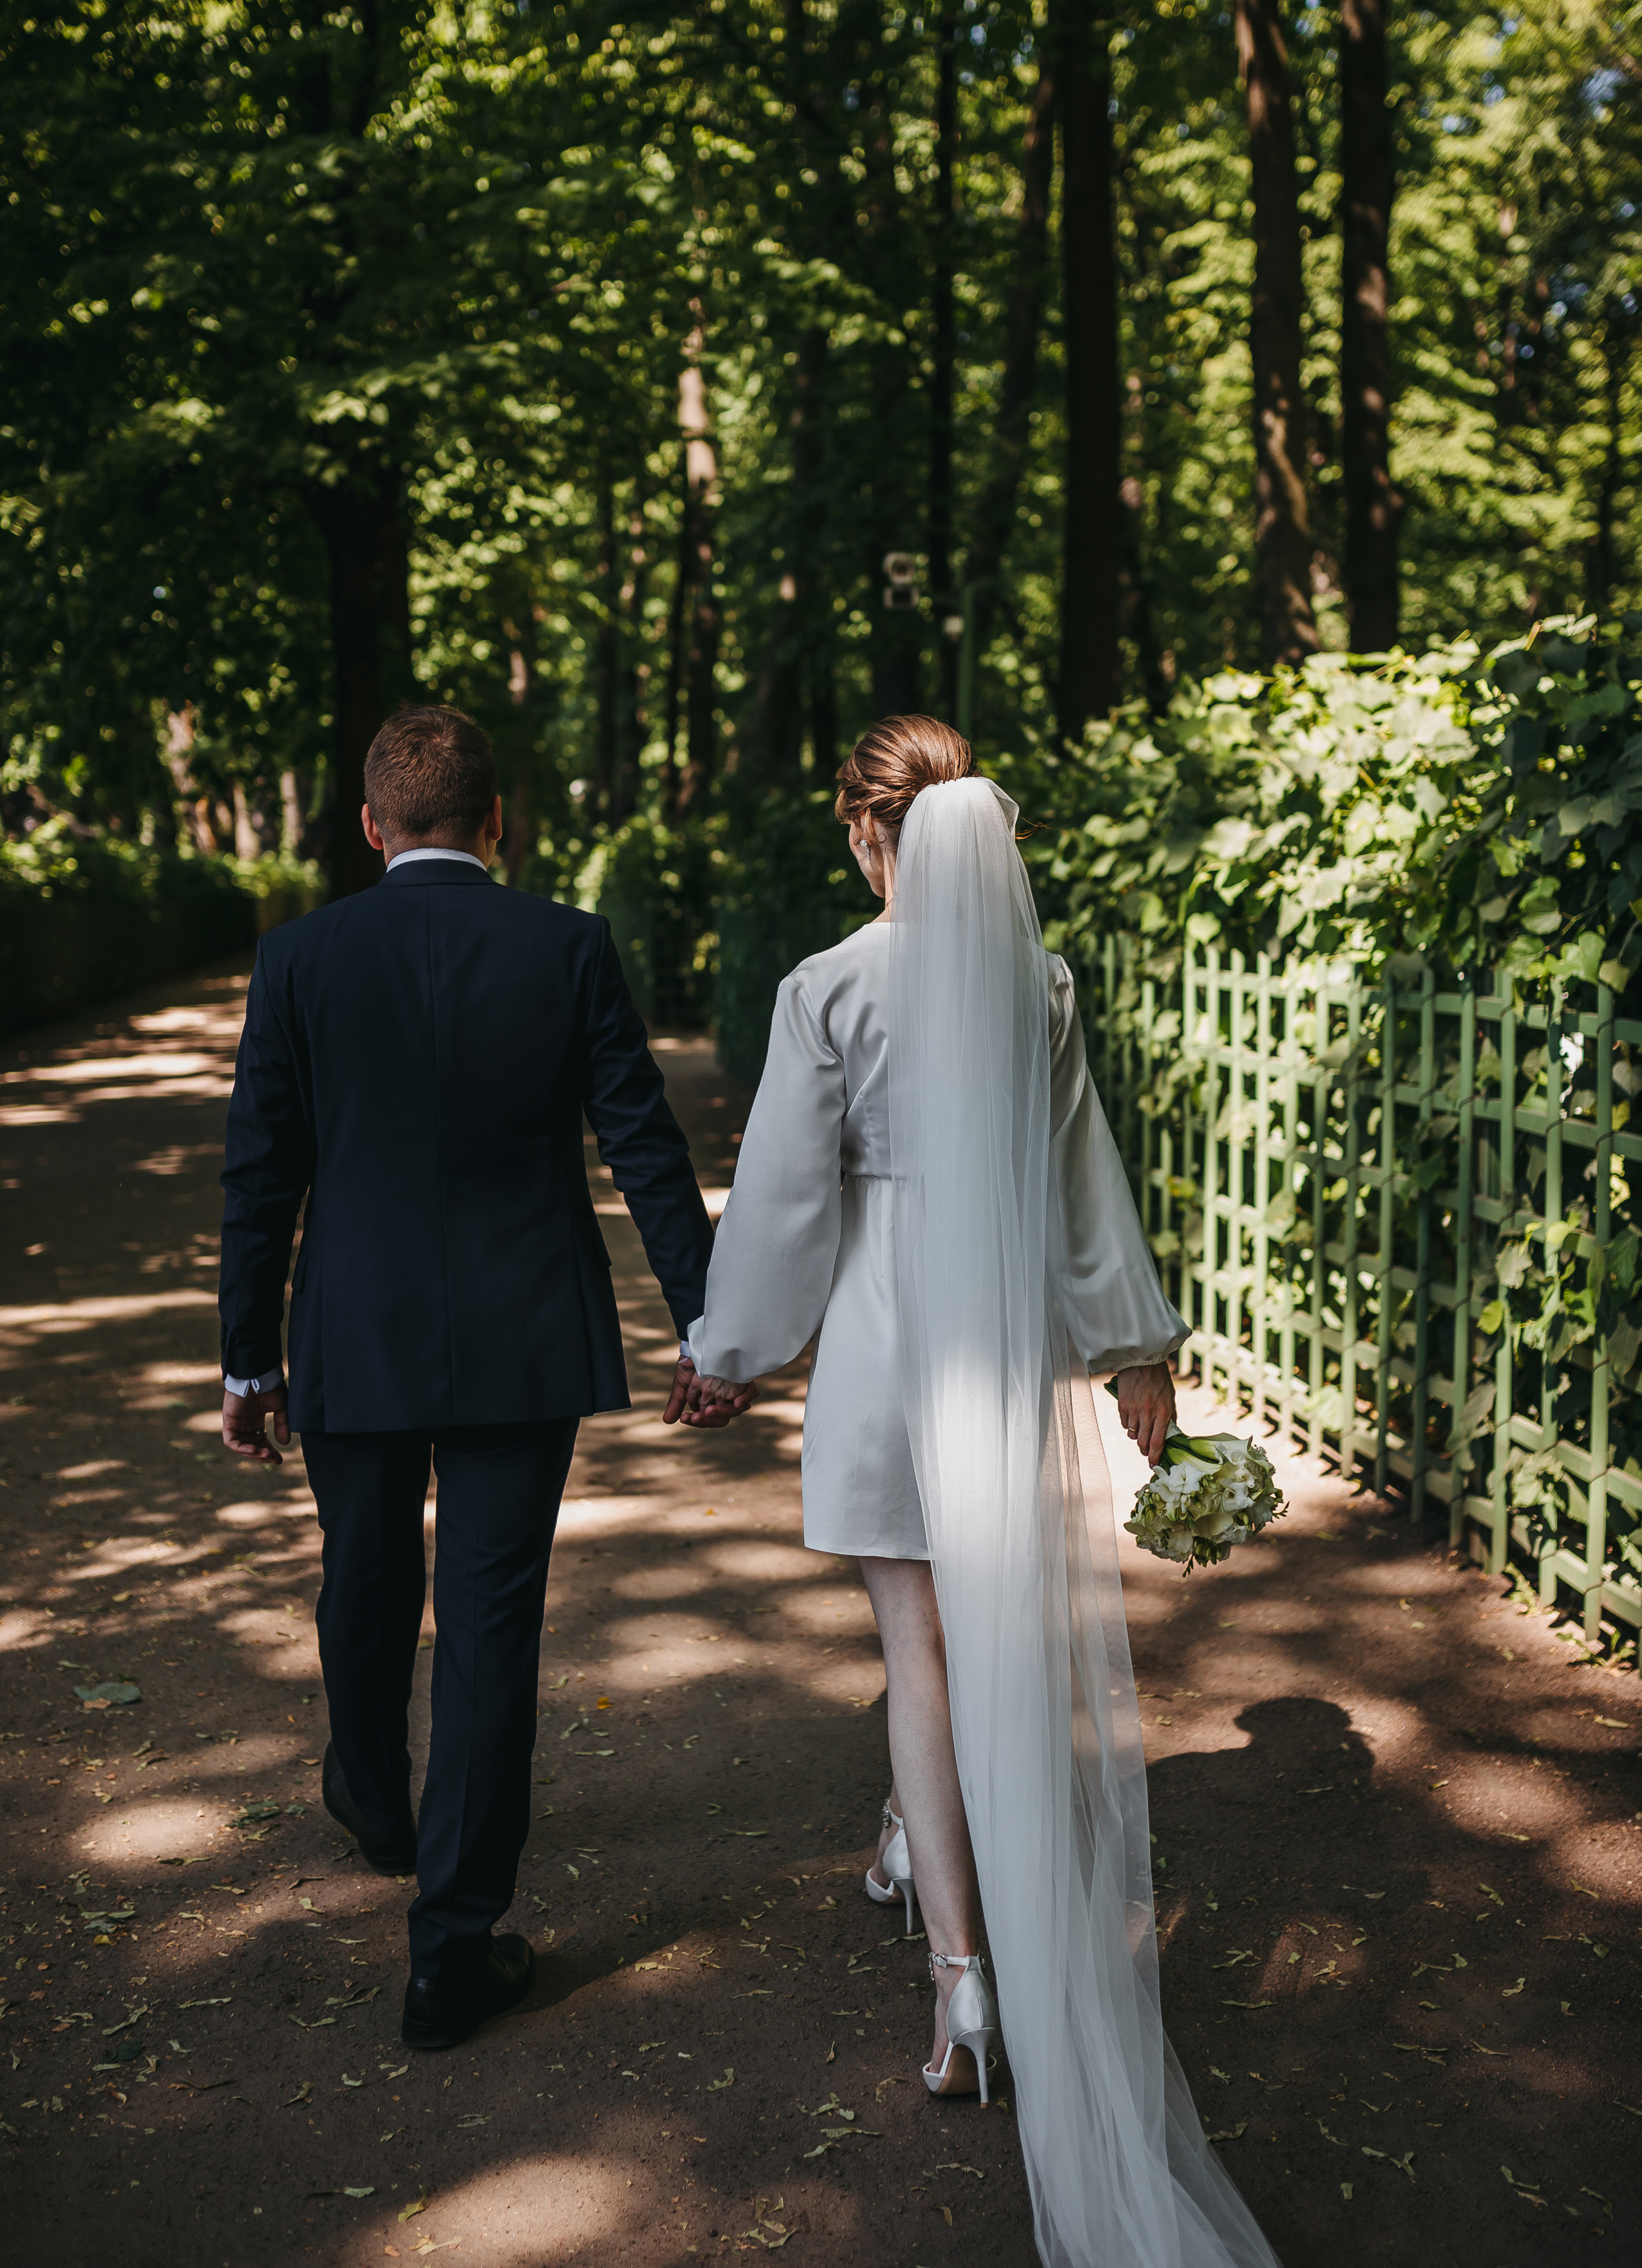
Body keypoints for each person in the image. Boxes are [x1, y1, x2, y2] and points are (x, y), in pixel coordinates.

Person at [678, 718, 1279, 2268]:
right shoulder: (1042, 984)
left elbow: (791, 1201)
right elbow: (1084, 1181)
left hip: (885, 1356)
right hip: (1001, 1357)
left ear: (870, 839)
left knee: (917, 1650)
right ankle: (924, 1863)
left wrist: (730, 1351)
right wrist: (1133, 1348)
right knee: (984, 1631)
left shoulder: (826, 987)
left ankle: (959, 1980)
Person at [216, 706, 728, 2051]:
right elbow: (643, 1146)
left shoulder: (300, 958)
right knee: (490, 1628)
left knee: (362, 1579)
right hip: (520, 1341)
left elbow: (260, 1173)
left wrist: (243, 1360)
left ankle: (374, 1801)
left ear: (371, 825)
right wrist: (705, 1322)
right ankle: (451, 1946)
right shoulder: (565, 945)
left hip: (355, 1338)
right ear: (496, 823)